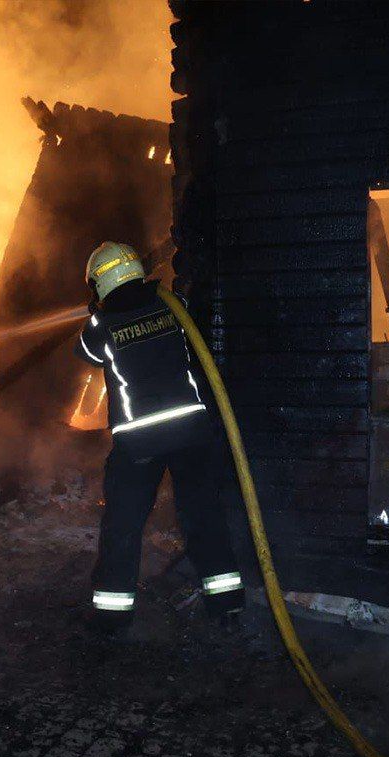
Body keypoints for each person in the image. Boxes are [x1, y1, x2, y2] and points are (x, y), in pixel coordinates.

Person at [74, 241, 244, 636]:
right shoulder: (173, 304)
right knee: (205, 517)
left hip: (140, 441)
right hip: (191, 431)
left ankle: (111, 618)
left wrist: (96, 314)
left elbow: (86, 354)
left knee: (124, 526)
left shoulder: (101, 325)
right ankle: (227, 605)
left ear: (100, 283)